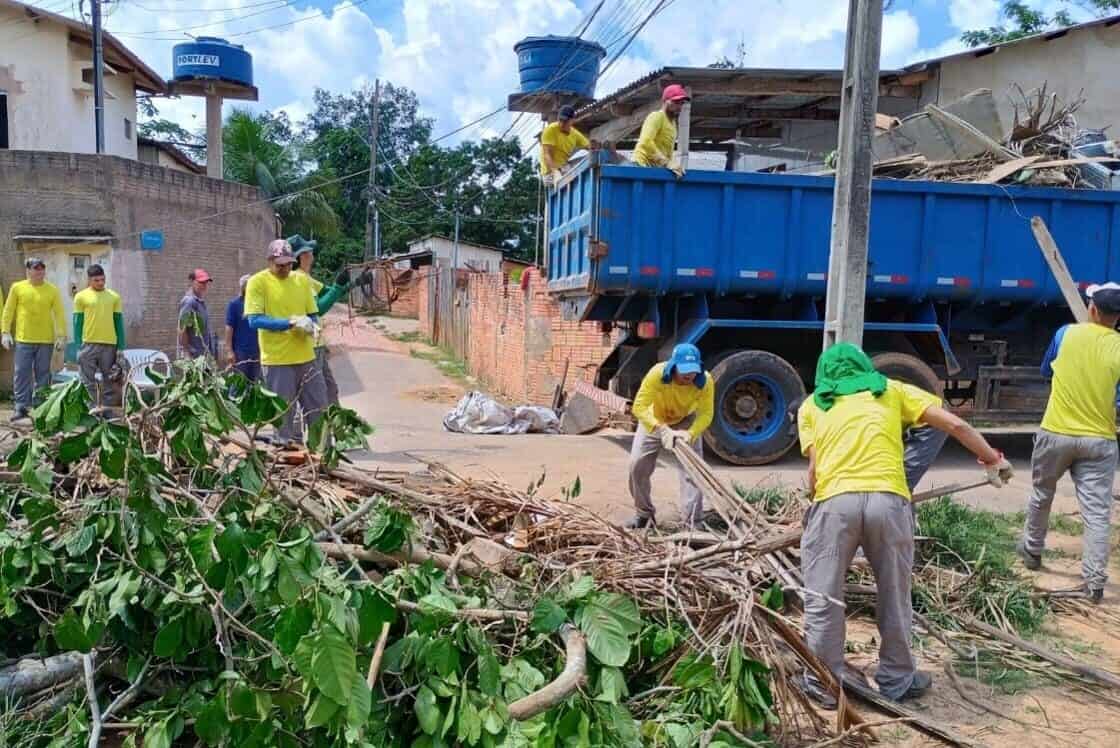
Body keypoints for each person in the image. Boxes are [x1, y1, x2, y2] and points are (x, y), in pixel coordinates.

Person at [796, 343, 1012, 706]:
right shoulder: (892, 389)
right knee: (894, 595)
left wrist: (815, 500)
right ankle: (897, 679)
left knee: (823, 597)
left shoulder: (813, 405)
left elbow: (814, 473)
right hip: (889, 502)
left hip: (835, 504)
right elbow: (954, 422)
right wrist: (993, 460)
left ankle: (823, 684)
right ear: (866, 367)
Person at [1020, 282, 1120, 602]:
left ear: (1092, 309)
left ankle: (1032, 553)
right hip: (1099, 440)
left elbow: (1045, 370)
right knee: (1096, 513)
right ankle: (1094, 582)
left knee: (1041, 494)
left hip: (1056, 433)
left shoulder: (1065, 334)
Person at [245, 239, 326, 444]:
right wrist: (289, 323)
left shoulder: (301, 281)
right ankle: (285, 457)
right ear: (269, 260)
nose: (285, 268)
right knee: (284, 415)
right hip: (277, 360)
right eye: (280, 264)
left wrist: (313, 325)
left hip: (306, 356)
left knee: (319, 407)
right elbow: (254, 320)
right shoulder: (258, 282)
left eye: (289, 264)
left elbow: (312, 313)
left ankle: (323, 451)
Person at [625, 343, 715, 529]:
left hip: (685, 421)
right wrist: (662, 429)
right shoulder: (657, 374)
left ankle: (692, 523)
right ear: (673, 365)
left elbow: (706, 414)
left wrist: (690, 434)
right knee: (637, 466)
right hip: (654, 419)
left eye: (692, 371)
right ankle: (644, 515)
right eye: (684, 371)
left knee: (693, 471)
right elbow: (639, 407)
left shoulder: (705, 381)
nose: (688, 376)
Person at [288, 235, 373, 406]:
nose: (313, 255)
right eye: (310, 252)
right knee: (316, 395)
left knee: (330, 390)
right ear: (301, 256)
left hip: (317, 345)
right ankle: (318, 428)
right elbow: (319, 307)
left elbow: (331, 293)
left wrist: (355, 283)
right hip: (308, 347)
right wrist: (337, 286)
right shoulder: (298, 279)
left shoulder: (308, 279)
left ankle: (333, 427)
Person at [2, 258, 66, 421]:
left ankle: (40, 407)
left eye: (41, 269)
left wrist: (61, 336)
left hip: (45, 340)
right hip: (24, 339)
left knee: (43, 374)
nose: (39, 272)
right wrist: (5, 332)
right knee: (21, 373)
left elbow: (59, 314)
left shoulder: (52, 290)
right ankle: (21, 407)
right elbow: (8, 311)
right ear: (28, 271)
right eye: (36, 269)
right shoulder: (18, 288)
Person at [73, 264, 124, 406]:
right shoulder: (80, 297)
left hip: (109, 345)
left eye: (103, 279)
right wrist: (78, 347)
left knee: (110, 381)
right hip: (88, 344)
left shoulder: (114, 297)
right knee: (87, 381)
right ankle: (92, 412)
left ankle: (107, 411)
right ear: (89, 280)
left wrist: (120, 347)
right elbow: (77, 323)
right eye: (97, 280)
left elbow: (118, 322)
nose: (101, 283)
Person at [633, 83, 689, 176]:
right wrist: (667, 163)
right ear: (666, 101)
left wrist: (674, 165)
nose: (679, 107)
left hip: (654, 170)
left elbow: (668, 153)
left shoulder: (672, 124)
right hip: (640, 166)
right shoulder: (657, 116)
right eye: (676, 102)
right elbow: (646, 142)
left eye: (681, 103)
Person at [540, 105, 590, 186]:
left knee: (587, 156)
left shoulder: (574, 134)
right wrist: (555, 171)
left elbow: (589, 146)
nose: (562, 123)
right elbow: (547, 154)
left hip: (565, 168)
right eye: (561, 120)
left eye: (565, 121)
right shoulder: (550, 130)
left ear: (572, 121)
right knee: (566, 178)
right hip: (550, 174)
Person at [224, 274, 260, 383]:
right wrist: (229, 351)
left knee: (254, 384)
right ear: (243, 287)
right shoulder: (234, 304)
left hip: (256, 352)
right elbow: (229, 328)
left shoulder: (256, 304)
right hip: (240, 352)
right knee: (239, 384)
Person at [178, 268, 213, 360]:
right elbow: (182, 329)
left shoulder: (200, 301)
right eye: (201, 282)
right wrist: (186, 353)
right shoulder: (189, 302)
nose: (204, 285)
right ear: (192, 281)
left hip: (203, 356)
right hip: (193, 358)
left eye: (206, 282)